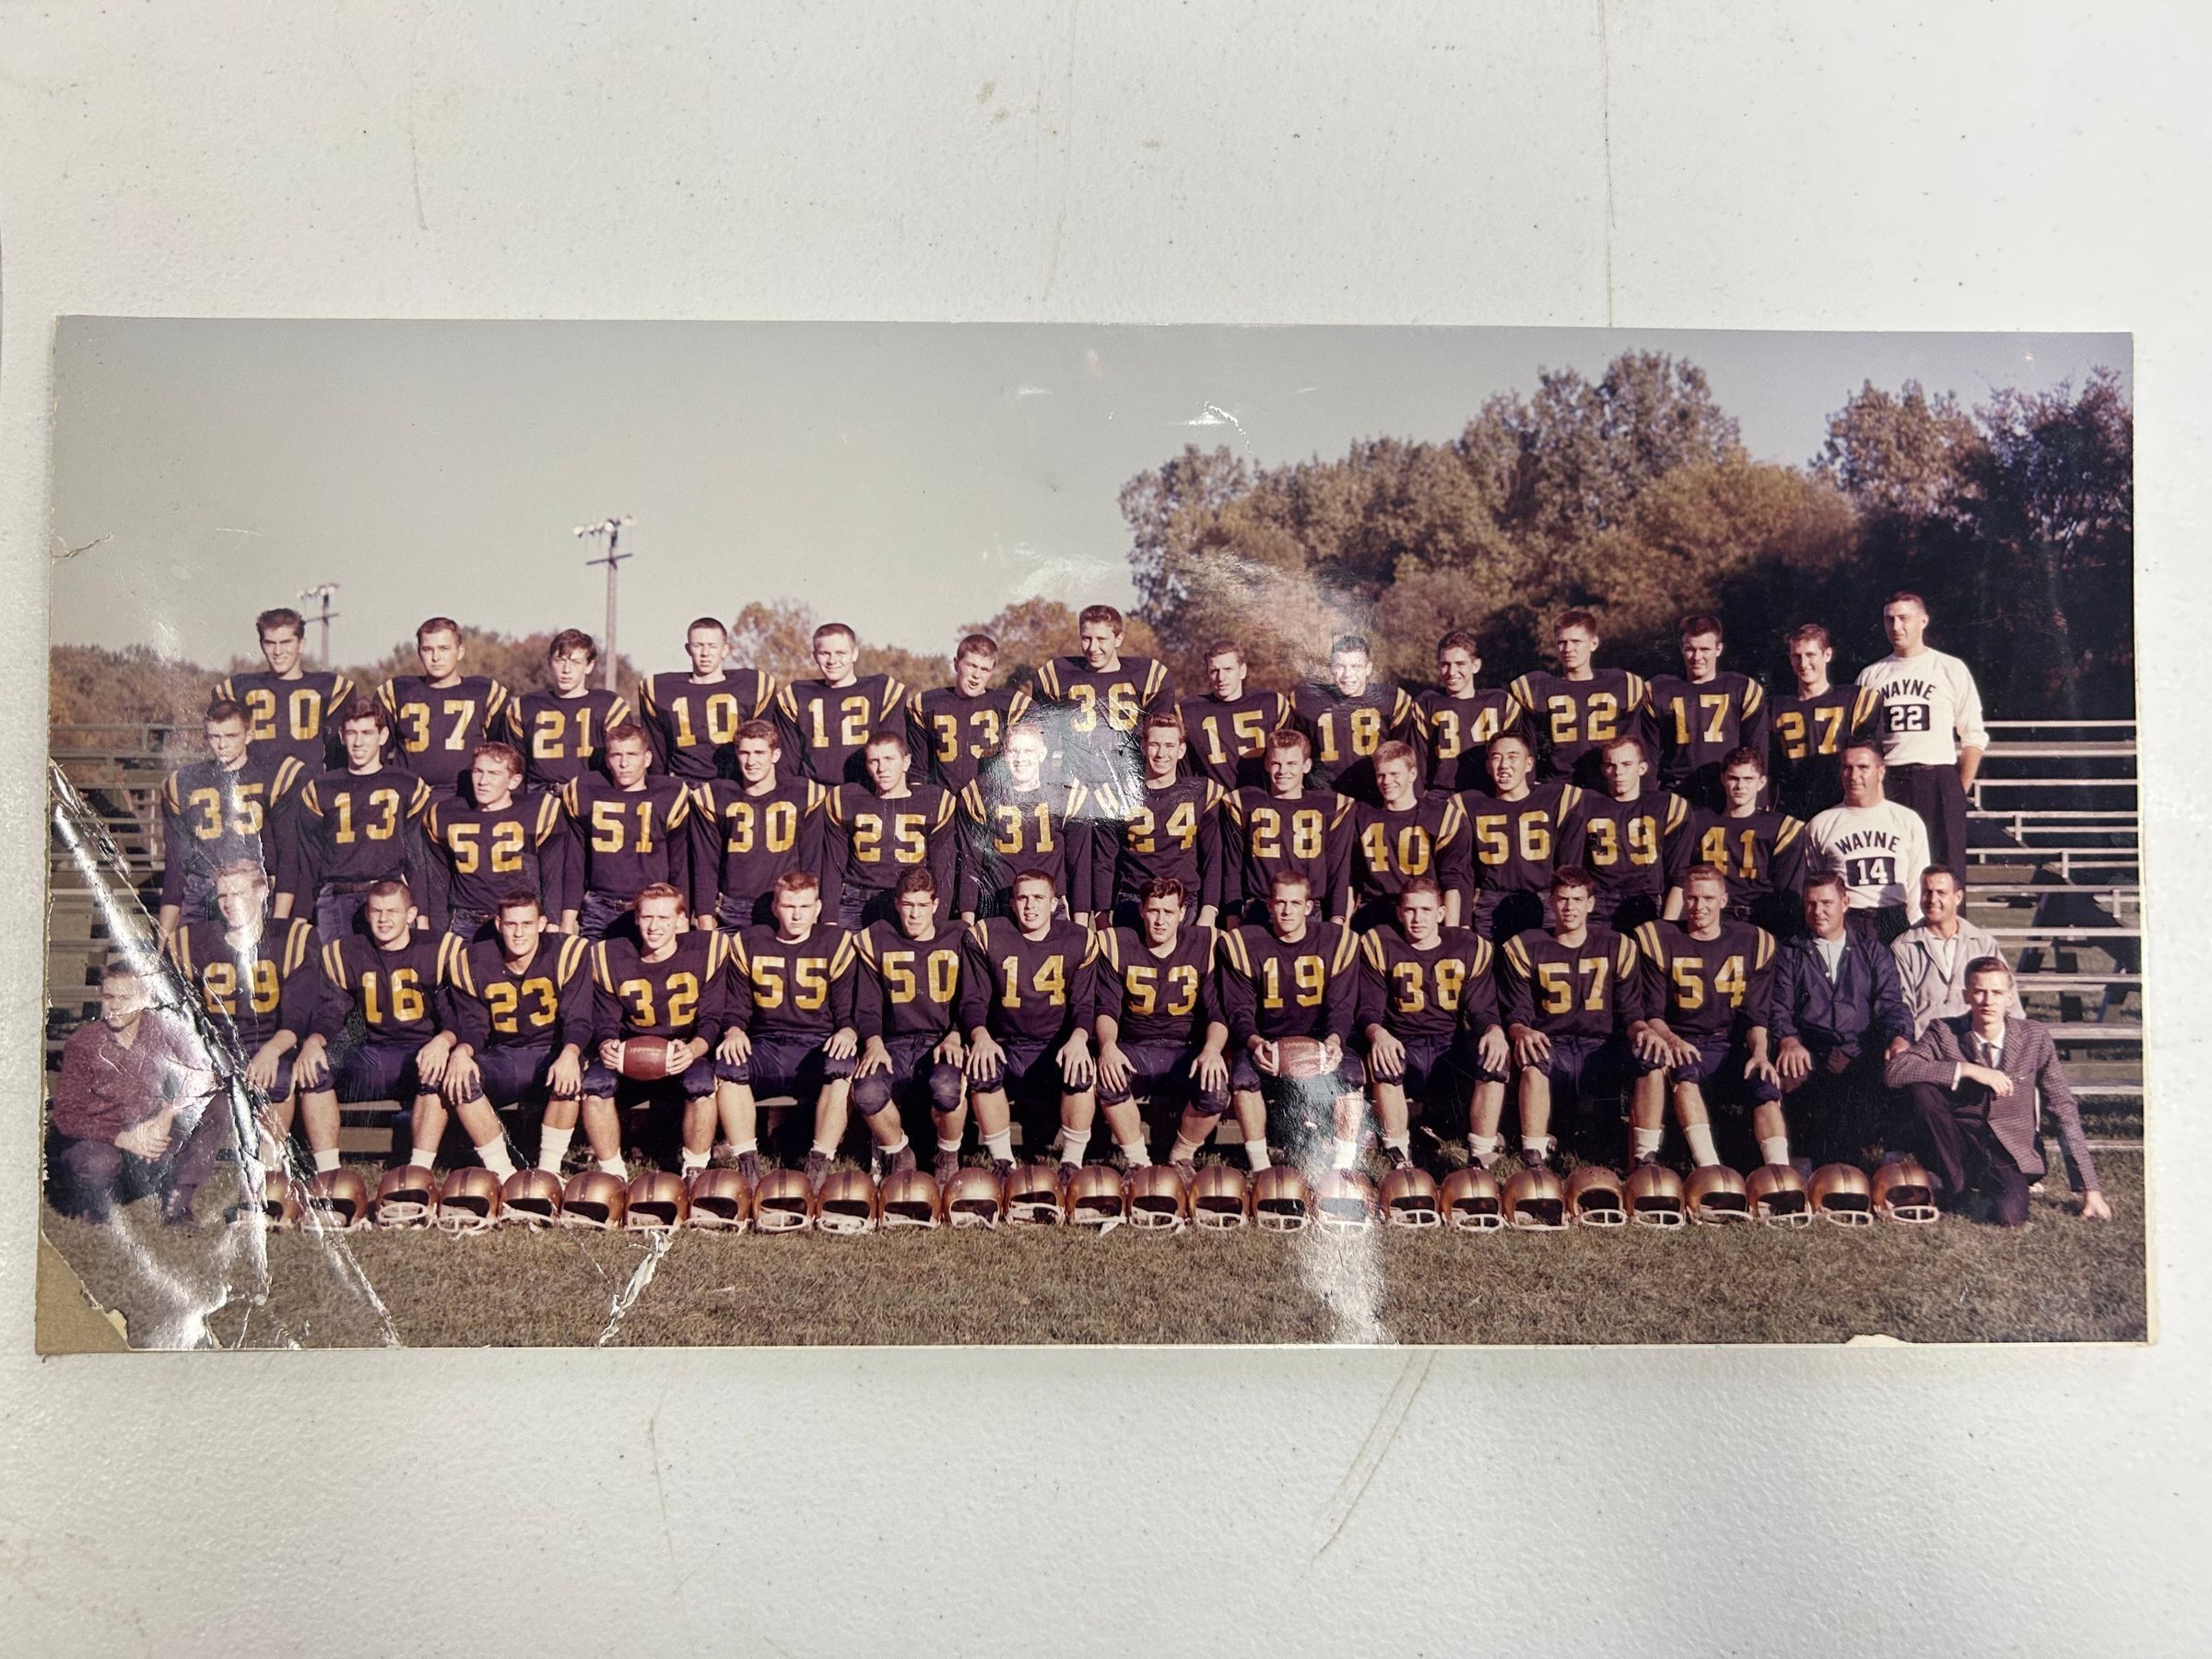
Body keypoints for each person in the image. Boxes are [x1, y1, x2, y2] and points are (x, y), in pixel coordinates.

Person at [1885, 956, 2110, 1226]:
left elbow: (2062, 1106)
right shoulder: (1944, 1031)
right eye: (1979, 991)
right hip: (1956, 1144)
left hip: (2008, 1148)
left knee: (2010, 1216)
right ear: (1966, 996)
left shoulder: (2035, 1037)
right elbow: (1896, 1071)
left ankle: (1980, 1184)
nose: (1988, 1001)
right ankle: (1955, 1185)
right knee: (1923, 1090)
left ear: (2010, 998)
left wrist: (2090, 1189)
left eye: (1997, 993)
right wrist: (1966, 1069)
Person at [716, 870, 876, 1191]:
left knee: (843, 1066)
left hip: (817, 1044)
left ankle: (819, 1164)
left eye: (804, 907)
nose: (797, 915)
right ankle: (748, 1163)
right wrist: (733, 1030)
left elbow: (846, 1008)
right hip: (767, 1044)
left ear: (818, 908)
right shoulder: (749, 942)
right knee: (728, 1064)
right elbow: (736, 1007)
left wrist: (847, 1031)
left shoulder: (835, 943)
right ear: (775, 907)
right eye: (789, 906)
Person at [295, 880, 464, 1176]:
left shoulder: (436, 949)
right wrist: (314, 1041)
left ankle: (419, 1171)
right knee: (315, 1068)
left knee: (440, 1068)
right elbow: (331, 1012)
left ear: (411, 915)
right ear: (367, 914)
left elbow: (456, 1016)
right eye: (376, 911)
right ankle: (328, 1173)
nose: (384, 919)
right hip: (374, 1056)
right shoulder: (350, 952)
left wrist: (443, 1041)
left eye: (392, 911)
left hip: (423, 1053)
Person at [168, 860, 326, 1173]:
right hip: (217, 1046)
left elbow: (297, 1016)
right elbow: (181, 1011)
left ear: (262, 892)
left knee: (281, 1075)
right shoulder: (193, 940)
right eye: (223, 895)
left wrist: (272, 1051)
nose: (229, 903)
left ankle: (269, 1166)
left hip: (270, 1042)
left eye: (238, 894)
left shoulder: (289, 939)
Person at [48, 962, 222, 1226]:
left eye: (125, 998)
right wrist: (124, 1139)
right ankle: (96, 1206)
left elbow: (207, 1075)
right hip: (105, 1140)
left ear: (145, 998)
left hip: (154, 1135)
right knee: (97, 1163)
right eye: (109, 997)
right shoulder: (83, 1043)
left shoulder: (164, 1029)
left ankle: (178, 1205)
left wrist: (168, 1113)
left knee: (218, 1104)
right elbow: (66, 1116)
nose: (115, 1006)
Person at [1630, 867, 1783, 1170]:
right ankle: (1709, 1169)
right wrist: (1672, 1040)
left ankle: (1780, 1171)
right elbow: (1652, 1014)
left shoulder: (1752, 941)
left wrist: (1761, 1054)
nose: (1699, 907)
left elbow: (1756, 1017)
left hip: (1728, 1044)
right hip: (1682, 1040)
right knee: (1684, 1072)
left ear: (1723, 900)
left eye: (1708, 899)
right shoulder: (1661, 938)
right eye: (1692, 898)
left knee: (1764, 1081)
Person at [1497, 866, 1647, 1170]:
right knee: (1533, 1059)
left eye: (1577, 899)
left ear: (1591, 904)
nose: (1569, 907)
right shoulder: (1526, 947)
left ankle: (1645, 1155)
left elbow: (1630, 1010)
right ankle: (1534, 1156)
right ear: (1551, 902)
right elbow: (1517, 1012)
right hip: (1552, 1043)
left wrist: (1643, 1030)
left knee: (1650, 1060)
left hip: (1602, 1045)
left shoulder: (1616, 945)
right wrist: (1522, 1031)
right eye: (1563, 899)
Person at [1218, 870, 1368, 1171]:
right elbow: (1239, 1009)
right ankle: (1260, 1166)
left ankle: (1343, 1167)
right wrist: (1255, 1041)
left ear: (1308, 907)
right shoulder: (1247, 943)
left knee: (1352, 1076)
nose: (1287, 911)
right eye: (1280, 903)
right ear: (1269, 905)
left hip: (1318, 1040)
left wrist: (1335, 1039)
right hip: (1266, 1040)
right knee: (1243, 1078)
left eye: (1295, 903)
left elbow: (1342, 1005)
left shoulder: (1335, 942)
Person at [1358, 877, 1510, 1172]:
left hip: (1449, 1046)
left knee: (1495, 1057)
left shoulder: (1467, 946)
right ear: (1400, 913)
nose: (1418, 918)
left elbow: (1482, 1009)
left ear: (1441, 913)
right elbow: (1368, 1009)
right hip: (1403, 1043)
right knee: (1383, 1057)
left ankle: (1482, 1154)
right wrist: (1378, 1034)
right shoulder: (1380, 943)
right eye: (1410, 910)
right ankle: (1398, 1151)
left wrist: (1494, 1030)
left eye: (1426, 910)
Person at [437, 891, 593, 1178]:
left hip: (551, 1051)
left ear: (542, 924)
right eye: (511, 924)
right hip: (502, 1056)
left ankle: (548, 1170)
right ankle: (502, 1172)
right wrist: (461, 1052)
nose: (519, 933)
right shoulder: (473, 961)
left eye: (527, 924)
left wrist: (570, 1053)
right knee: (460, 1075)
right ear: (499, 924)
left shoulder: (566, 953)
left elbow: (579, 1018)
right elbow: (474, 1025)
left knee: (572, 1069)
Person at [579, 883, 724, 1180]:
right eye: (647, 917)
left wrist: (693, 1049)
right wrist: (607, 1043)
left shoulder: (705, 952)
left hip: (683, 1049)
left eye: (663, 918)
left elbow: (711, 1019)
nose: (654, 927)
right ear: (636, 918)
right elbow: (606, 1019)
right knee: (594, 1086)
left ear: (680, 919)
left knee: (702, 1086)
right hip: (629, 1051)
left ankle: (695, 1169)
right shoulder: (610, 957)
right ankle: (612, 1173)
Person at [959, 869, 1100, 1170]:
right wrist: (981, 1037)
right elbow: (973, 1000)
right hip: (1007, 1044)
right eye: (1022, 898)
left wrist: (1078, 1040)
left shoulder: (1078, 939)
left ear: (1054, 904)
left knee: (1082, 1071)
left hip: (1055, 1046)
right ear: (1012, 903)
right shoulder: (988, 935)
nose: (1030, 905)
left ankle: (1071, 1163)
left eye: (1038, 897)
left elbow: (1084, 1005)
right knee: (982, 1068)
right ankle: (1003, 1162)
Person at [1769, 874, 1913, 1164]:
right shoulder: (1790, 952)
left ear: (1845, 903)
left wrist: (1899, 1035)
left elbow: (1890, 1003)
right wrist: (1788, 1040)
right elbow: (1779, 1007)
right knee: (1791, 1073)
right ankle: (1801, 1159)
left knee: (1891, 1074)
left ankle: (1881, 1160)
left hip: (1859, 1047)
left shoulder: (1872, 951)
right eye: (1810, 904)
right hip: (1812, 1048)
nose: (1818, 912)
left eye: (1826, 903)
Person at [1096, 877, 1232, 1177]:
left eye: (1168, 912)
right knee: (1108, 1077)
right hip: (1136, 1047)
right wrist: (1108, 1047)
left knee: (1216, 1087)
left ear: (1182, 913)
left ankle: (1182, 1156)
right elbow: (1106, 1009)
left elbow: (1217, 1013)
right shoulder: (1120, 944)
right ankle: (1137, 1161)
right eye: (1154, 910)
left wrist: (1212, 1050)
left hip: (1185, 1049)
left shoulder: (1202, 945)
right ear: (1141, 911)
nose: (1160, 920)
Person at [276, 699, 433, 940]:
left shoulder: (406, 784)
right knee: (333, 964)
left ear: (383, 736)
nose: (358, 742)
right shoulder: (322, 787)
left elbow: (417, 859)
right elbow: (307, 860)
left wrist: (421, 914)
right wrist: (299, 917)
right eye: (352, 733)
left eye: (367, 733)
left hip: (387, 896)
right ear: (342, 736)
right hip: (336, 898)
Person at [1854, 591, 1988, 872]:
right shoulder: (1871, 675)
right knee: (1896, 868)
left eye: (1904, 618)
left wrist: (1957, 790)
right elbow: (1863, 742)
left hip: (1938, 778)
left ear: (1923, 621)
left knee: (1946, 871)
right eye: (1889, 619)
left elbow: (1973, 737)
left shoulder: (1949, 668)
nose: (1896, 626)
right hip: (1890, 780)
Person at [851, 867, 970, 1183]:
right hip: (895, 1042)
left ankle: (947, 1156)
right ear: (897, 904)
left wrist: (956, 1035)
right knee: (866, 1091)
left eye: (922, 905)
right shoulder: (879, 938)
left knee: (948, 1089)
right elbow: (867, 1005)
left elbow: (972, 999)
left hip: (942, 1040)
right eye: (908, 905)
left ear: (935, 904)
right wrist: (874, 1043)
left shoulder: (958, 937)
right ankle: (900, 1152)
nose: (914, 914)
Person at [157, 699, 305, 946]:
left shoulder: (273, 777)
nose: (222, 744)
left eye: (231, 735)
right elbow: (175, 867)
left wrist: (279, 920)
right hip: (203, 891)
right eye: (215, 736)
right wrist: (163, 935)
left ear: (249, 735)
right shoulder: (184, 781)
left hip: (254, 890)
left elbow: (286, 858)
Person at [556, 722, 693, 940]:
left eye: (632, 754)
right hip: (599, 907)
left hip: (652, 909)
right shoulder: (586, 792)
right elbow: (575, 862)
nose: (624, 763)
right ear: (607, 760)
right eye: (616, 755)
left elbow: (679, 864)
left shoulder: (668, 796)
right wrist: (567, 920)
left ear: (647, 758)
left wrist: (681, 915)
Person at [1090, 712, 1226, 930]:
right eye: (1155, 744)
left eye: (1169, 745)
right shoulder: (1119, 794)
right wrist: (1101, 913)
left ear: (1181, 750)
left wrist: (1209, 910)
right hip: (1135, 898)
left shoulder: (1200, 792)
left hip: (1184, 899)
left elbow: (1212, 857)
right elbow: (1104, 860)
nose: (1162, 753)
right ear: (1143, 746)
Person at [688, 720, 829, 931]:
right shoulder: (718, 798)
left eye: (759, 753)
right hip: (734, 908)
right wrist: (705, 919)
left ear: (775, 755)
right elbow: (706, 865)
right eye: (745, 753)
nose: (751, 761)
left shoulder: (802, 796)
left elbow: (812, 861)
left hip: (787, 906)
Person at [423, 742, 569, 939]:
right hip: (466, 920)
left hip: (517, 920)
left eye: (494, 774)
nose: (483, 781)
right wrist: (437, 930)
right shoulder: (445, 814)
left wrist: (552, 922)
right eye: (478, 771)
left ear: (514, 781)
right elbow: (438, 879)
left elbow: (552, 873)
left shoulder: (536, 813)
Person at [1030, 603, 1176, 794]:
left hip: (1129, 783)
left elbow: (1161, 738)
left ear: (1119, 638)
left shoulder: (1148, 677)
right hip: (1077, 785)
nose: (1093, 648)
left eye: (1101, 639)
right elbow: (1043, 738)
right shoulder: (1057, 675)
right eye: (1086, 638)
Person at [955, 721, 1095, 920]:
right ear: (1004, 754)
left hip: (1049, 907)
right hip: (999, 904)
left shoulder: (1064, 796)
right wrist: (968, 920)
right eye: (1014, 751)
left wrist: (1080, 926)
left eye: (1028, 751)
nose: (1020, 759)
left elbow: (1079, 866)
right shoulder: (981, 795)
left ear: (1042, 754)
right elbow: (971, 864)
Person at [819, 731, 959, 931]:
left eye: (889, 759)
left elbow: (942, 870)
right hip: (857, 900)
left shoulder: (932, 802)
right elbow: (833, 865)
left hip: (908, 899)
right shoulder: (848, 800)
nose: (881, 768)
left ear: (906, 762)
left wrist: (937, 923)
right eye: (873, 761)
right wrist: (829, 919)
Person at [1670, 745, 1808, 938]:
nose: (1740, 786)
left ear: (1761, 782)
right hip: (1710, 918)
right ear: (1722, 779)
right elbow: (1681, 880)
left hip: (1760, 919)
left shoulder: (1779, 827)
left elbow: (1789, 893)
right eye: (1733, 778)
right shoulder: (1699, 822)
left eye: (1748, 779)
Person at [1458, 729, 1583, 943]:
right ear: (1487, 766)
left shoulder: (1555, 798)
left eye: (1513, 757)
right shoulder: (1469, 804)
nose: (1504, 765)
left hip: (1543, 898)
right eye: (1496, 758)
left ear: (1529, 764)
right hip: (1491, 900)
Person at [1221, 728, 1356, 924]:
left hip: (1309, 911)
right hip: (1260, 909)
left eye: (1292, 763)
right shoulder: (1246, 803)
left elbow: (1338, 870)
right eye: (1276, 763)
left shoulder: (1329, 807)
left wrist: (1337, 919)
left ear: (1306, 766)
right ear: (1267, 764)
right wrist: (1232, 917)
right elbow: (1232, 868)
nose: (1283, 771)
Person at [1508, 609, 1653, 787]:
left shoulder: (1621, 684)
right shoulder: (1538, 687)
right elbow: (1529, 745)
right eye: (1562, 642)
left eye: (1576, 642)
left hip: (1607, 785)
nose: (1568, 649)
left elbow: (1634, 746)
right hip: (1557, 786)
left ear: (1594, 643)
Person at [1805, 742, 1931, 944]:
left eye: (1863, 767)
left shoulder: (1907, 820)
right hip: (1846, 920)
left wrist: (1913, 931)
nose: (1854, 776)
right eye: (1847, 767)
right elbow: (1816, 881)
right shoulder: (1821, 824)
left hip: (1894, 919)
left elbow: (1918, 882)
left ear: (1880, 772)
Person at [376, 617, 513, 802]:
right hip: (409, 798)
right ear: (419, 653)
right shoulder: (398, 691)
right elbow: (377, 752)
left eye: (444, 649)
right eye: (428, 649)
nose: (436, 657)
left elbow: (502, 753)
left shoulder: (484, 692)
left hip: (464, 799)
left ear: (460, 651)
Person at [1645, 614, 1769, 811]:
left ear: (1718, 649)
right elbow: (1649, 754)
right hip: (1677, 792)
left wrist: (1759, 803)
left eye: (1705, 649)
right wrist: (1648, 801)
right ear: (1681, 647)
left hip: (1727, 793)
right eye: (1690, 649)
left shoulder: (1742, 689)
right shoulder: (1660, 689)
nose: (1697, 657)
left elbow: (1757, 751)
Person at [1571, 735, 1693, 935]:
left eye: (1627, 764)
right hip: (1599, 901)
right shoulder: (1585, 804)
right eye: (1611, 765)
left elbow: (1679, 874)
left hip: (1645, 900)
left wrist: (1668, 924)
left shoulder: (1666, 806)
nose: (1619, 772)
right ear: (1603, 770)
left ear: (1642, 768)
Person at [213, 606, 355, 774]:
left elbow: (338, 757)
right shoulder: (239, 688)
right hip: (256, 785)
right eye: (270, 643)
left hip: (308, 785)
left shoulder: (329, 687)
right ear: (261, 644)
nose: (278, 651)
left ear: (301, 644)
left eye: (286, 642)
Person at [1349, 739, 1472, 932]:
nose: (1386, 781)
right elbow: (1350, 878)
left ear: (1412, 774)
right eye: (1381, 775)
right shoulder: (1361, 816)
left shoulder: (1441, 816)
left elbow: (1452, 880)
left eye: (1394, 774)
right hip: (1377, 913)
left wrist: (1452, 933)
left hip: (1423, 916)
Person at [636, 616, 775, 782]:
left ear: (725, 649)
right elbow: (657, 753)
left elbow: (765, 744)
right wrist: (660, 787)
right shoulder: (660, 690)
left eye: (712, 646)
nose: (705, 653)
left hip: (732, 785)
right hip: (682, 785)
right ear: (688, 649)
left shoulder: (752, 687)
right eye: (698, 645)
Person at [772, 620, 909, 785]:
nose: (832, 660)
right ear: (815, 656)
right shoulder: (797, 695)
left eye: (840, 653)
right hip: (815, 792)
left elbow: (893, 754)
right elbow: (787, 762)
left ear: (854, 654)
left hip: (867, 791)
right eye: (825, 653)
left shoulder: (881, 690)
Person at [1291, 632, 1418, 806]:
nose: (1347, 675)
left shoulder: (1392, 700)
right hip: (1325, 799)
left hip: (1375, 798)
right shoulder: (1307, 699)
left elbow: (1403, 753)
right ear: (1330, 668)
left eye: (1356, 666)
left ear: (1368, 668)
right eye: (1340, 666)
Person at [1892, 865, 2019, 1036]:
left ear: (1957, 897)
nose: (1932, 899)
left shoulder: (1982, 944)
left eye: (1941, 893)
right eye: (1927, 892)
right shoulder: (1904, 946)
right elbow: (1902, 1008)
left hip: (1974, 1040)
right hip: (1926, 1042)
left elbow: (2010, 1002)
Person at [1771, 622, 1879, 819]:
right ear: (1790, 659)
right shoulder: (1776, 707)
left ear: (1827, 655)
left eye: (1810, 655)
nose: (1803, 663)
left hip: (1842, 801)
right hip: (1795, 804)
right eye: (1797, 656)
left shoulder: (1852, 700)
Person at [907, 632, 1030, 794]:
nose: (976, 675)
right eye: (971, 666)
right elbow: (917, 771)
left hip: (990, 802)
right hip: (944, 802)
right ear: (956, 664)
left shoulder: (1009, 705)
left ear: (992, 671)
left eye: (984, 669)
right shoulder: (928, 705)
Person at [510, 628, 633, 789]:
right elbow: (513, 766)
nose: (566, 670)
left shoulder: (608, 706)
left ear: (589, 666)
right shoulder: (526, 706)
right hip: (539, 795)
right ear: (549, 662)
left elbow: (626, 762)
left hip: (591, 794)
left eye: (576, 662)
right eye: (560, 661)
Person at [1417, 629, 1523, 797]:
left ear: (1475, 666)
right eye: (1445, 664)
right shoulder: (1427, 703)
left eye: (1460, 664)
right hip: (1443, 797)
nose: (1452, 672)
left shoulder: (1500, 702)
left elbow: (1520, 756)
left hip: (1490, 794)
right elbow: (1418, 761)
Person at [1178, 639, 1289, 793]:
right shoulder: (1190, 711)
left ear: (1242, 671)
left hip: (1263, 802)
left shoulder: (1271, 704)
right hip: (1216, 804)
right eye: (1214, 671)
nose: (1221, 677)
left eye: (1228, 669)